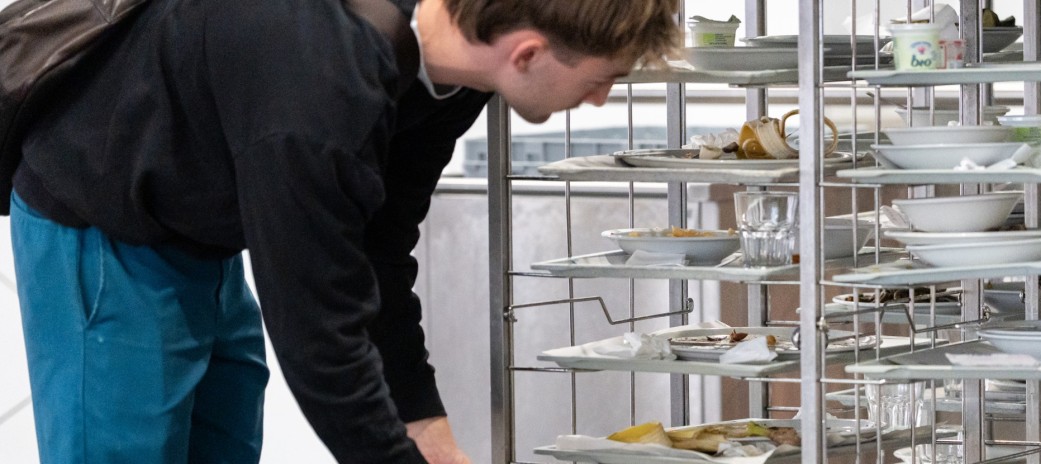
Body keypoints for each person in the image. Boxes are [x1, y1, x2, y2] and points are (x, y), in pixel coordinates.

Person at [7, 0, 681, 462]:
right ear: (528, 53)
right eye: (604, 79)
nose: (600, 99)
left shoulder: (455, 74)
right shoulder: (317, 79)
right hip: (103, 219)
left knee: (226, 436)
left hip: (202, 222)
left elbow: (377, 246)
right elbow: (318, 333)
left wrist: (424, 424)